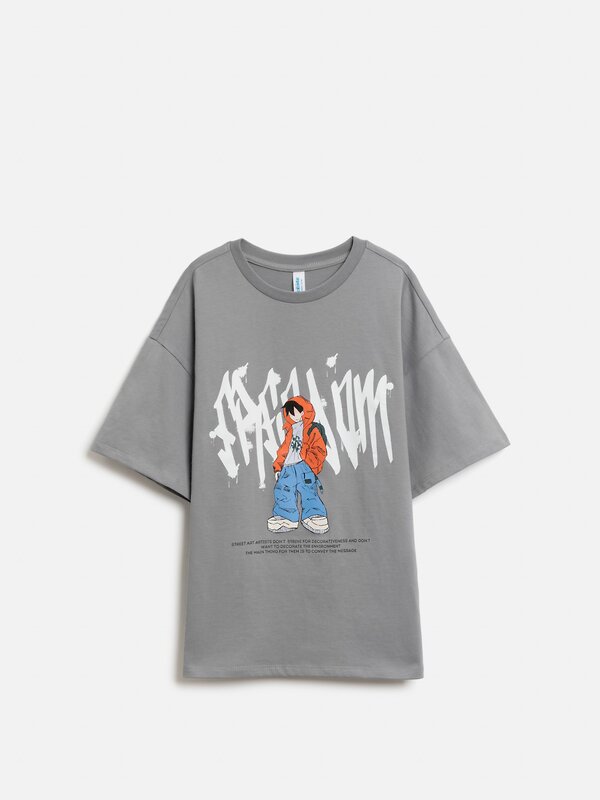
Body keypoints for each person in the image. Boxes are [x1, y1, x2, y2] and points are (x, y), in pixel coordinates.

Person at [267, 396, 329, 534]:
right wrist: (278, 466)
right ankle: (286, 517)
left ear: (303, 411)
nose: (293, 415)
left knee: (308, 490)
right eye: (290, 413)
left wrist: (310, 463)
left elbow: (319, 449)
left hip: (304, 466)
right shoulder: (290, 431)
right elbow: (283, 450)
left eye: (295, 412)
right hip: (288, 467)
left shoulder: (311, 429)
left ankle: (314, 515)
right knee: (283, 490)